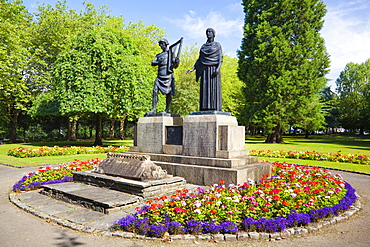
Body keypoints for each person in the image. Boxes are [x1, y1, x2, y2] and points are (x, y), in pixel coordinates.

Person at [187, 28, 222, 111]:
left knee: (213, 89)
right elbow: (199, 59)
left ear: (214, 34)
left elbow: (220, 58)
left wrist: (218, 68)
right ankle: (204, 108)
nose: (208, 33)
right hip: (204, 70)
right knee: (205, 89)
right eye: (207, 32)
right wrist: (193, 68)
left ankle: (214, 108)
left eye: (210, 32)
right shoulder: (203, 46)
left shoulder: (217, 45)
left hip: (213, 70)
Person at [146, 38, 179, 115]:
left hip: (168, 76)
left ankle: (167, 109)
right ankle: (153, 109)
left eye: (162, 44)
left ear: (166, 44)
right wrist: (158, 61)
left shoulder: (171, 54)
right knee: (155, 91)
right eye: (160, 44)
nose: (161, 46)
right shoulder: (158, 55)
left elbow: (175, 66)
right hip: (160, 76)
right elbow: (153, 62)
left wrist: (177, 62)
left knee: (169, 93)